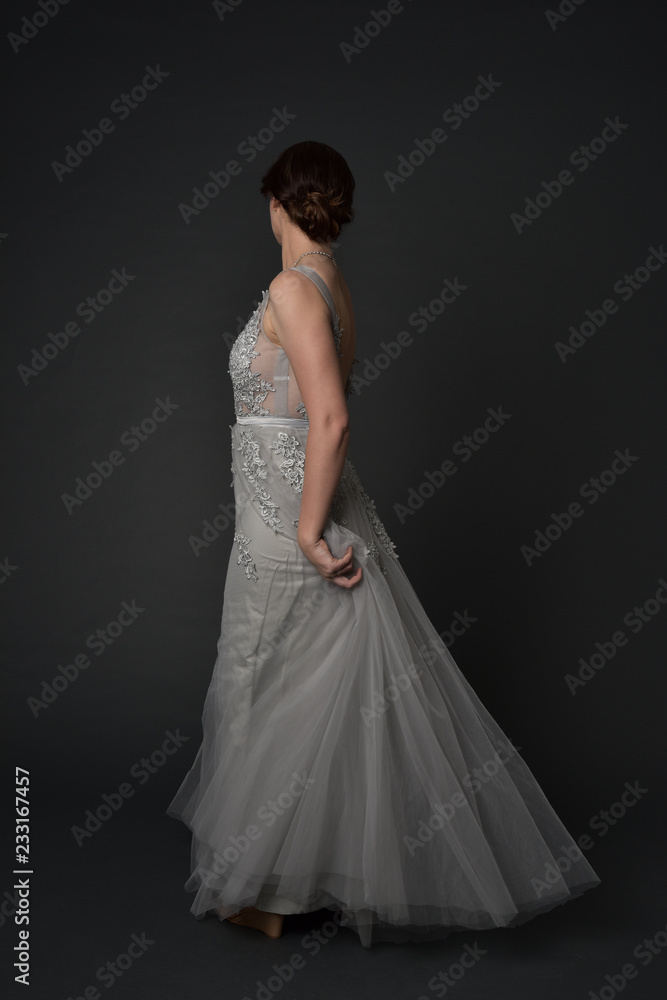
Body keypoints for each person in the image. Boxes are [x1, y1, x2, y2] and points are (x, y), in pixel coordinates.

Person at [167, 140, 601, 948]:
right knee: (308, 688)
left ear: (274, 203)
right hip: (303, 500)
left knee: (257, 678)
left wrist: (304, 528)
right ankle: (290, 878)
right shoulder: (332, 285)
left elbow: (328, 417)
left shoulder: (292, 290)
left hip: (286, 517)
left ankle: (263, 886)